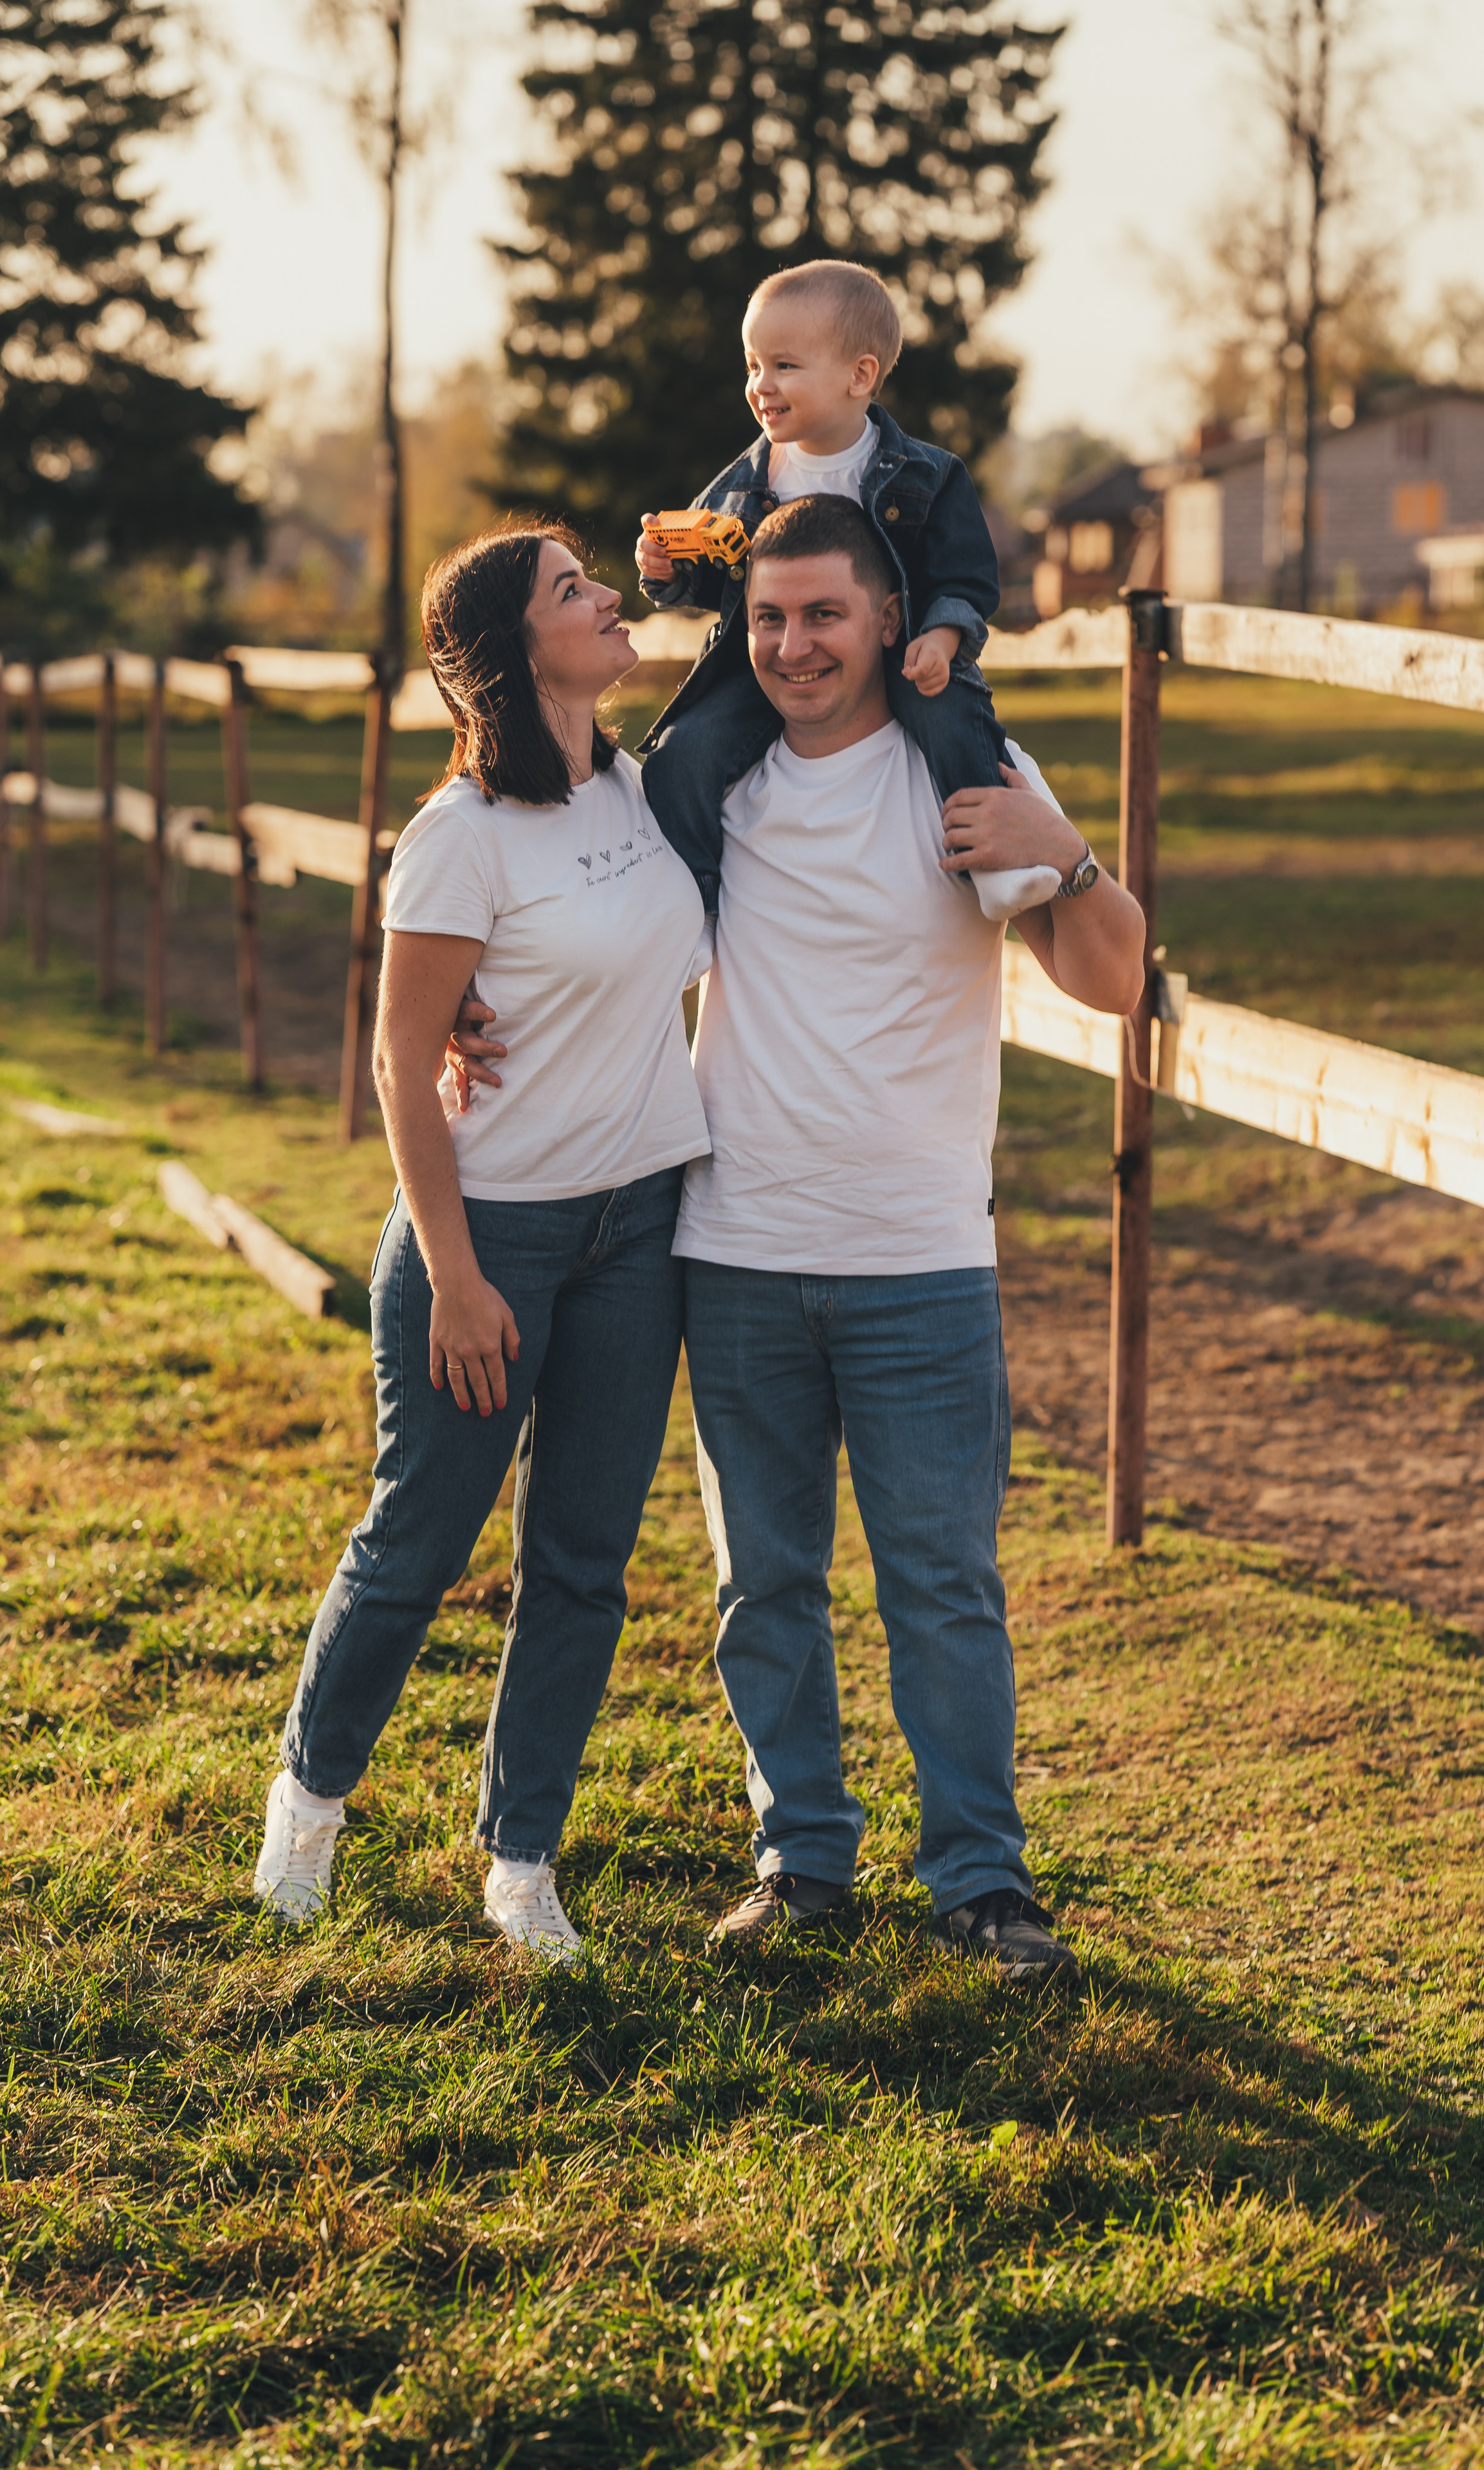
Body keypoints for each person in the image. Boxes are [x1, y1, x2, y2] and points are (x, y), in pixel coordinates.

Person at [457, 494, 1144, 1983]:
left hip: (918, 1259)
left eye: (824, 613)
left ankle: (979, 1881)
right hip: (736, 1249)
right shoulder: (699, 789)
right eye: (768, 618)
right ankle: (801, 1863)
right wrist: (457, 1002)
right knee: (763, 1585)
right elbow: (549, 890)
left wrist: (1070, 853)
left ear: (889, 619)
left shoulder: (971, 777)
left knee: (939, 1586)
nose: (792, 644)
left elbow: (1109, 979)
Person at [252, 518, 711, 1963]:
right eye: (572, 590)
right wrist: (452, 1275)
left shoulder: (641, 788)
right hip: (489, 1241)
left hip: (641, 1227)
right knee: (417, 1543)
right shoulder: (456, 838)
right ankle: (307, 1810)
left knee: (582, 1558)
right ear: (519, 652)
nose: (604, 601)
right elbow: (402, 1062)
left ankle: (521, 1861)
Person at [634, 259, 1059, 927]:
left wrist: (942, 640)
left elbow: (966, 576)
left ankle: (998, 862)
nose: (760, 386)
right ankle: (693, 912)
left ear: (860, 375)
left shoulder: (926, 475)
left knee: (955, 724)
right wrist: (666, 570)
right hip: (772, 657)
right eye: (752, 365)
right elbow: (716, 571)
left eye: (783, 366)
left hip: (907, 650)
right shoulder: (746, 481)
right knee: (683, 754)